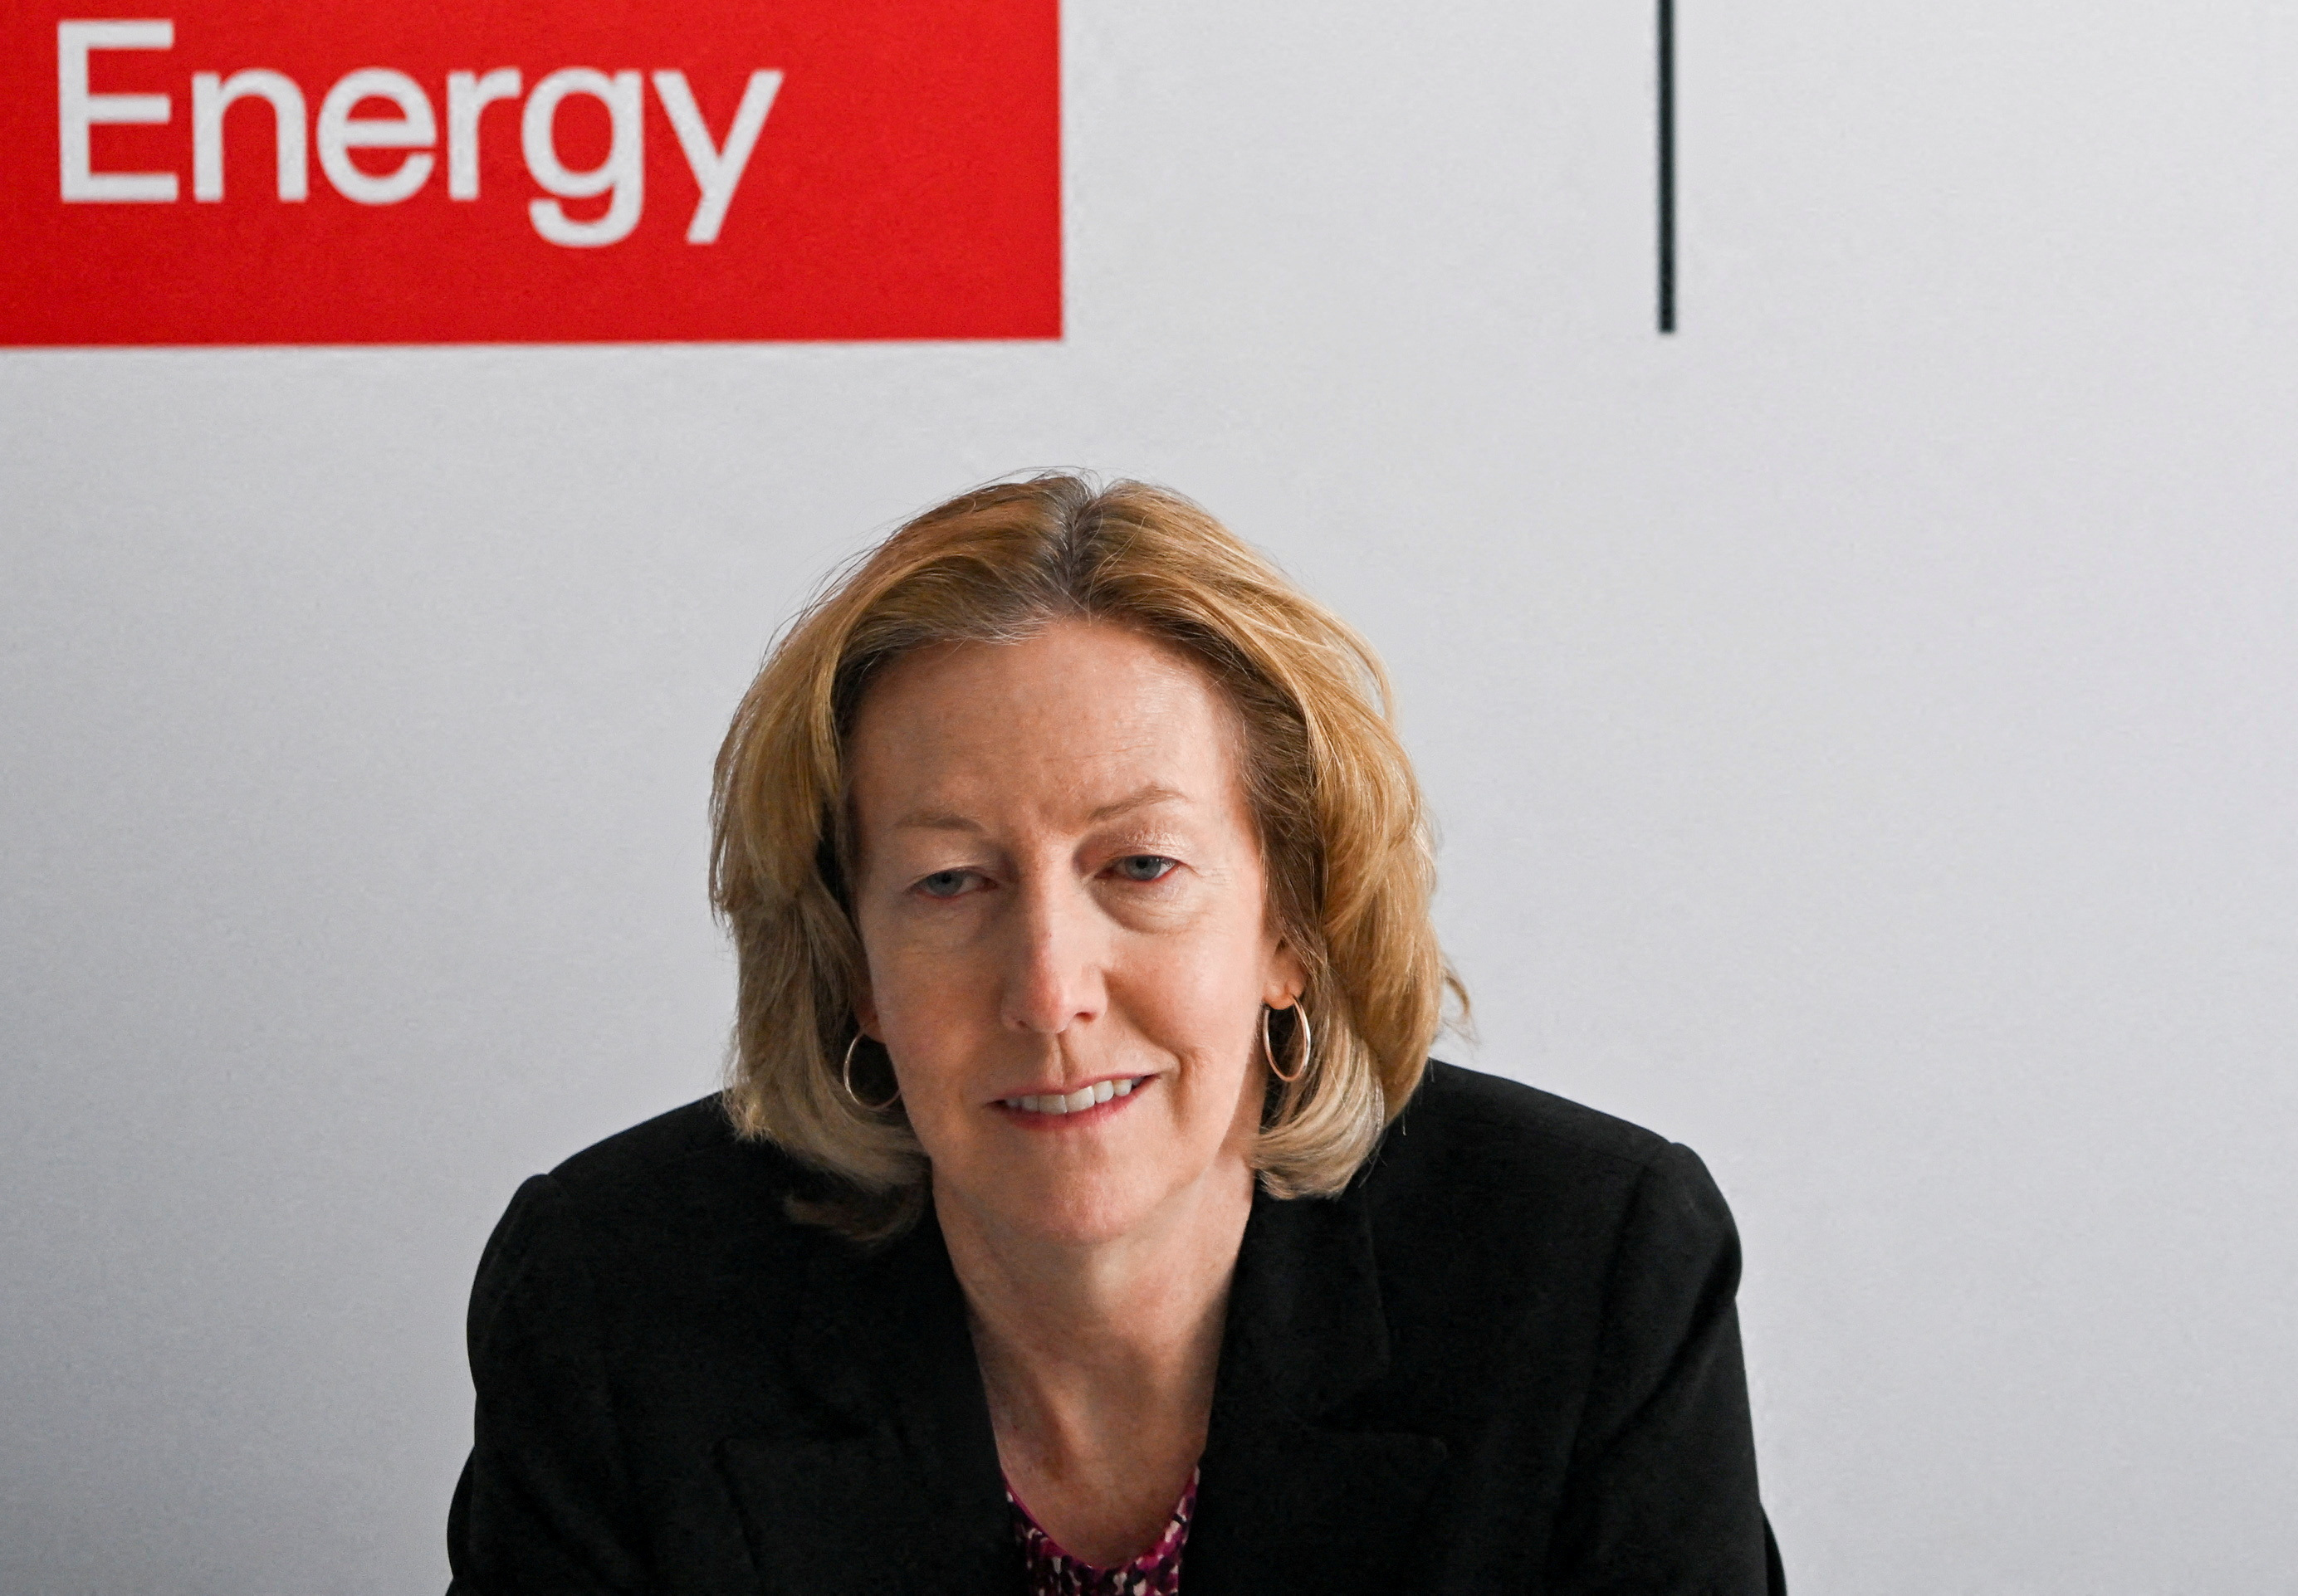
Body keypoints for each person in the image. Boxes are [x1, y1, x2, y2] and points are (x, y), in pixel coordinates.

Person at [445, 473, 1786, 1594]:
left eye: (1141, 867)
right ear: (852, 962)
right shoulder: (613, 1303)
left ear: (1292, 926)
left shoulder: (1587, 1275)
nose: (1049, 991)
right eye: (951, 882)